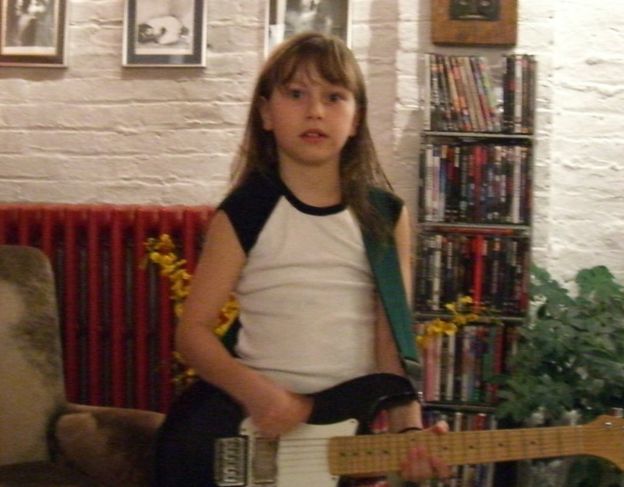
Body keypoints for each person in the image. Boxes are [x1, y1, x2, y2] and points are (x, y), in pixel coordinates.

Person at [153, 32, 449, 487]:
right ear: (266, 113)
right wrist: (257, 394)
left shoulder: (385, 216)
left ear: (356, 119)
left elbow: (391, 341)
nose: (315, 111)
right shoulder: (245, 211)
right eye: (296, 94)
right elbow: (192, 334)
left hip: (344, 435)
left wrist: (409, 431)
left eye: (334, 97)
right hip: (255, 425)